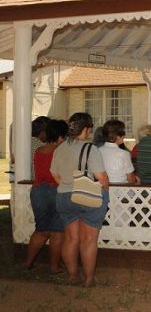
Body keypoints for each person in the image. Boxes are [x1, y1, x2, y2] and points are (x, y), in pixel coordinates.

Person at [50, 112, 109, 287]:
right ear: (87, 129)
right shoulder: (91, 149)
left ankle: (72, 275)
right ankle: (89, 278)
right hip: (87, 197)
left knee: (71, 238)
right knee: (88, 240)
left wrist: (68, 186)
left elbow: (54, 174)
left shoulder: (60, 148)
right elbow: (102, 177)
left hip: (64, 197)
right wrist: (104, 189)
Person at [25, 119, 69, 273]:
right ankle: (54, 267)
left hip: (38, 191)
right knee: (57, 232)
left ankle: (28, 263)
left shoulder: (39, 151)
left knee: (41, 230)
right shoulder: (62, 151)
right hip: (56, 191)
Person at [100, 120, 137, 184]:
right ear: (118, 137)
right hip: (121, 190)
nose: (124, 136)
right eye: (123, 133)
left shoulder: (97, 151)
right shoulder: (124, 154)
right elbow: (130, 179)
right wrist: (136, 179)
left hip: (102, 189)